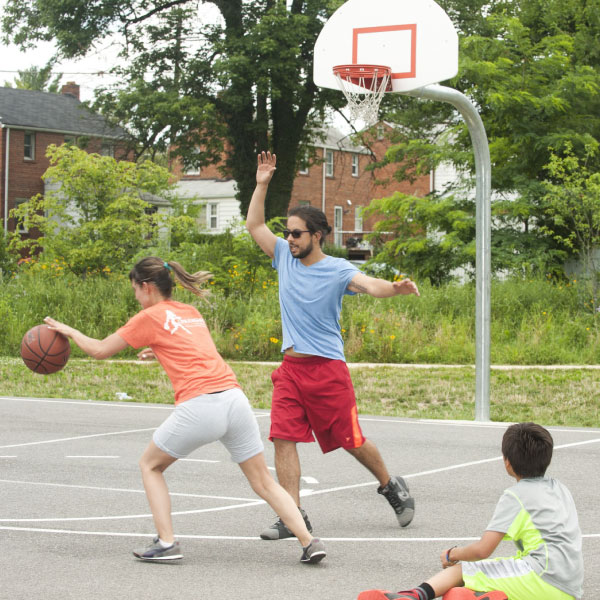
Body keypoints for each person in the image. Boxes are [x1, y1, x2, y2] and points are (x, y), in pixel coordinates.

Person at [44, 256, 326, 564]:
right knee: (263, 482)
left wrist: (69, 331)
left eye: (135, 290)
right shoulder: (189, 312)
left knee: (150, 466)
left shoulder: (149, 316)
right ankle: (309, 541)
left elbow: (99, 350)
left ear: (147, 287)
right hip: (234, 399)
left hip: (202, 406)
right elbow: (191, 347)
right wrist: (160, 350)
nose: (136, 297)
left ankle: (166, 543)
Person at [246, 151, 420, 541]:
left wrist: (395, 288)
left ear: (317, 236)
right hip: (291, 369)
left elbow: (370, 286)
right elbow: (254, 224)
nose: (289, 239)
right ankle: (294, 516)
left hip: (327, 369)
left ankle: (392, 485)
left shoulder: (337, 268)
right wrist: (261, 185)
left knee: (350, 440)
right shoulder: (282, 257)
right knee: (282, 436)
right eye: (287, 233)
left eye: (296, 233)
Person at [357, 422, 584, 600]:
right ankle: (481, 597)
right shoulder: (560, 488)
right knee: (483, 579)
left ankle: (413, 595)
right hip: (570, 587)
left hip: (543, 577)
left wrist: (452, 554)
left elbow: (482, 550)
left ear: (507, 462)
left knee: (463, 571)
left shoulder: (516, 496)